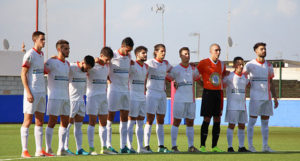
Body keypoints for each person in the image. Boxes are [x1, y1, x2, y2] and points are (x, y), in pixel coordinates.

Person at [20, 31, 53, 158]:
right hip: (32, 92)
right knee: (27, 121)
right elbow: (23, 74)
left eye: (44, 39)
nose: (44, 41)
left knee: (39, 121)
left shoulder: (41, 54)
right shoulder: (30, 54)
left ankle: (39, 150)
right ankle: (24, 150)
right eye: (42, 39)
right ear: (35, 40)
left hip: (41, 91)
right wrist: (28, 92)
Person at [244, 42, 279, 152]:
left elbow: (271, 82)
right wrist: (249, 87)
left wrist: (275, 97)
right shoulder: (250, 64)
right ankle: (250, 146)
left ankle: (265, 146)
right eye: (261, 49)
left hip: (267, 98)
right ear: (256, 51)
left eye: (264, 49)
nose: (264, 51)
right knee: (252, 122)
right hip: (255, 98)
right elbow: (242, 78)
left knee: (265, 123)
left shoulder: (269, 65)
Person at [168, 47, 201, 153]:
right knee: (176, 121)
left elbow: (198, 79)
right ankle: (174, 146)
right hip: (179, 99)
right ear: (180, 56)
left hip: (191, 100)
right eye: (185, 54)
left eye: (188, 54)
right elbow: (168, 78)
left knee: (190, 122)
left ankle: (191, 146)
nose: (187, 56)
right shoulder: (176, 68)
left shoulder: (193, 68)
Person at [197, 43, 226, 152]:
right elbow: (196, 75)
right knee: (207, 118)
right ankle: (202, 145)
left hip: (218, 93)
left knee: (217, 118)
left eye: (219, 50)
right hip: (208, 93)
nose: (218, 52)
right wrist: (203, 84)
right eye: (216, 50)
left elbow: (223, 76)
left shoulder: (222, 64)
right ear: (210, 51)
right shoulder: (203, 63)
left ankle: (214, 146)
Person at [106, 37, 134, 153]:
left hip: (125, 91)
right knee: (110, 117)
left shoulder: (129, 57)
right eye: (127, 50)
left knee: (124, 117)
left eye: (130, 51)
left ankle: (123, 146)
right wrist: (108, 80)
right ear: (122, 46)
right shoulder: (112, 55)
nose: (128, 53)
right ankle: (108, 144)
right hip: (114, 90)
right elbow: (104, 67)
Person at [63, 55, 95, 155]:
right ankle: (65, 148)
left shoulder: (86, 71)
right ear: (83, 62)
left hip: (81, 101)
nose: (87, 70)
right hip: (71, 101)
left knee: (79, 126)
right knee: (67, 125)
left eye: (89, 68)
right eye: (87, 67)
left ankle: (79, 149)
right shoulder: (72, 67)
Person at [144, 44, 172, 153]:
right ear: (155, 52)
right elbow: (142, 69)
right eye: (161, 51)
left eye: (164, 51)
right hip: (151, 93)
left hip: (162, 93)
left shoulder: (166, 63)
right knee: (150, 119)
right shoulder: (150, 63)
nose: (163, 53)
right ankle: (146, 145)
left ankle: (161, 146)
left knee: (161, 120)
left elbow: (174, 71)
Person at [44, 40, 71, 156]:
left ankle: (61, 149)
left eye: (68, 49)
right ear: (59, 49)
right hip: (54, 97)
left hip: (65, 97)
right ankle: (48, 148)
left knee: (65, 122)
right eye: (66, 49)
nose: (68, 51)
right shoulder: (52, 61)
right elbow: (43, 70)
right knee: (52, 122)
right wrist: (46, 61)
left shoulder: (68, 64)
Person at [86, 47, 114, 155]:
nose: (108, 62)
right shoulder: (92, 65)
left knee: (104, 123)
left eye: (109, 60)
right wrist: (94, 60)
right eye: (106, 59)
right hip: (92, 97)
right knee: (92, 122)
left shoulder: (106, 67)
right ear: (101, 56)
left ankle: (104, 147)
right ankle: (91, 148)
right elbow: (83, 67)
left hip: (103, 97)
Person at [223, 57, 250, 152]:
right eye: (239, 64)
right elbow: (221, 85)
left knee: (242, 126)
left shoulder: (244, 77)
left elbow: (249, 85)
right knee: (231, 125)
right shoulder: (229, 76)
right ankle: (230, 147)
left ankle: (241, 147)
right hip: (232, 106)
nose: (241, 66)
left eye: (242, 64)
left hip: (242, 106)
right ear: (234, 65)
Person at [127, 46, 150, 153]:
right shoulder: (131, 65)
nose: (145, 55)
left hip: (142, 97)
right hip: (133, 97)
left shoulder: (146, 67)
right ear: (137, 55)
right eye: (143, 53)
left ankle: (140, 147)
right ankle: (129, 146)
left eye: (146, 53)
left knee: (141, 123)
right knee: (131, 122)